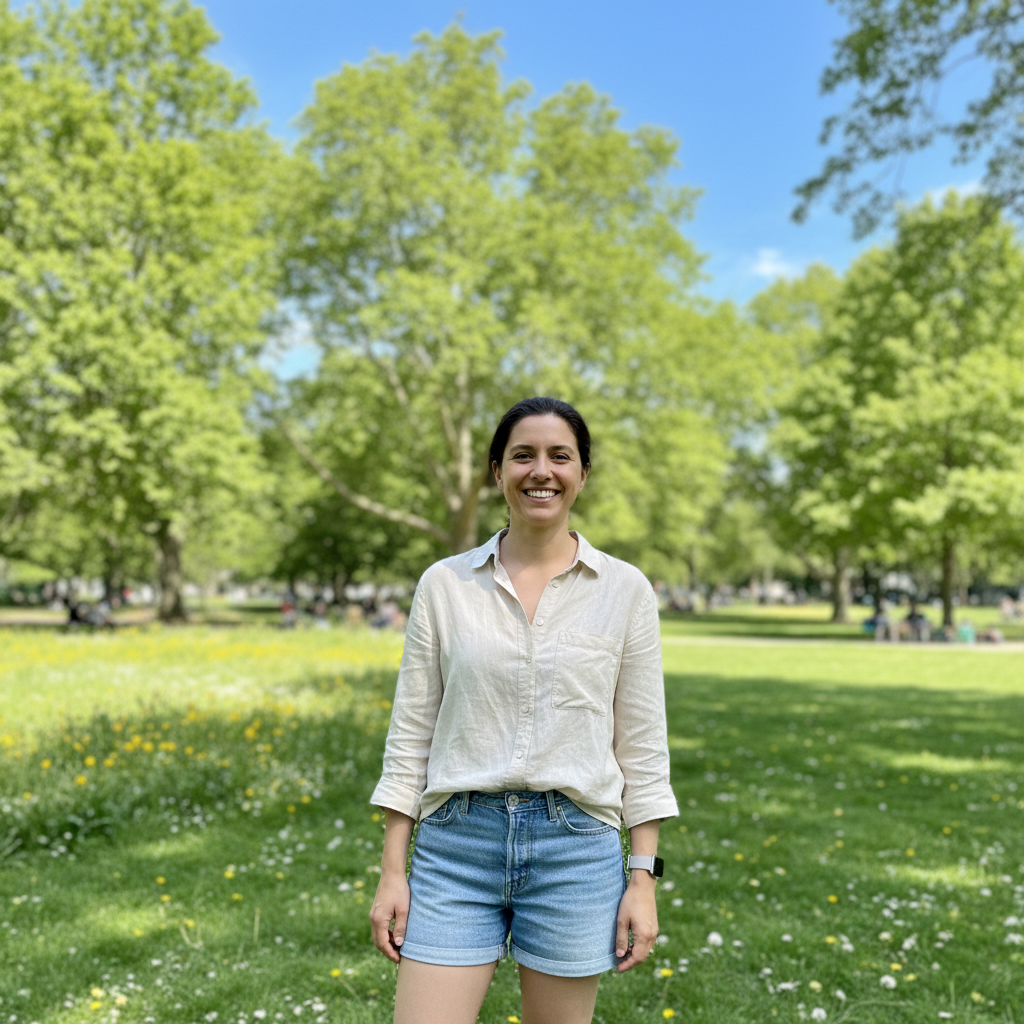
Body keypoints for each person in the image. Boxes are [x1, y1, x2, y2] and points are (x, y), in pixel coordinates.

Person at [369, 397, 678, 1024]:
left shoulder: (625, 591)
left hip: (576, 851)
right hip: (457, 846)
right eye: (523, 455)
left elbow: (642, 748)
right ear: (497, 470)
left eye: (560, 456)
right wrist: (392, 871)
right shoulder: (445, 585)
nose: (542, 470)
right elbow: (411, 737)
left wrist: (642, 879)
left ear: (582, 473)